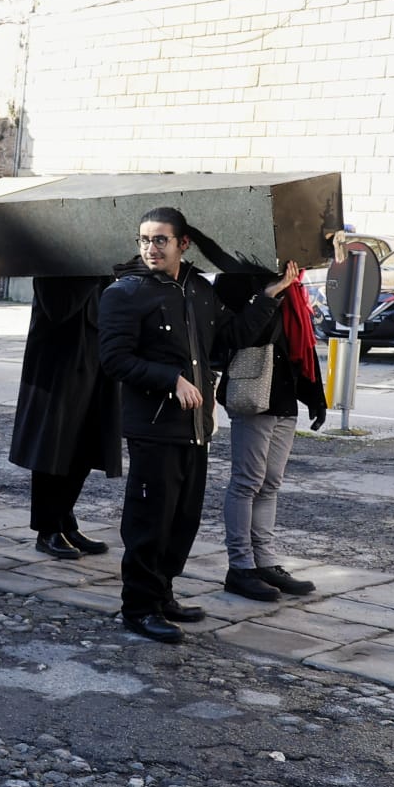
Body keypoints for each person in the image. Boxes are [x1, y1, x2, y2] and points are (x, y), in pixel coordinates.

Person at [98, 207, 295, 644]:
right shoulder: (125, 293)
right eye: (145, 239)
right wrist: (170, 379)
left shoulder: (198, 290)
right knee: (149, 520)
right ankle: (139, 607)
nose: (151, 248)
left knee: (182, 519)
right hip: (153, 427)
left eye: (161, 240)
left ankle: (163, 594)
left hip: (196, 427)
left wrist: (270, 295)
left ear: (183, 244)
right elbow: (114, 359)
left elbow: (231, 336)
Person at [213, 272, 327, 602]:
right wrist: (270, 293)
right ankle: (240, 567)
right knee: (247, 482)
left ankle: (265, 561)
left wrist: (315, 398)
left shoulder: (296, 288)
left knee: (270, 483)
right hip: (252, 396)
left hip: (283, 398)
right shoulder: (234, 282)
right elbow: (240, 336)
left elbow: (300, 346)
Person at [10, 279, 121, 561]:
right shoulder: (53, 264)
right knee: (53, 449)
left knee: (84, 445)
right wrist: (94, 272)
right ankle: (48, 529)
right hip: (57, 367)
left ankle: (65, 520)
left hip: (94, 359)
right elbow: (59, 309)